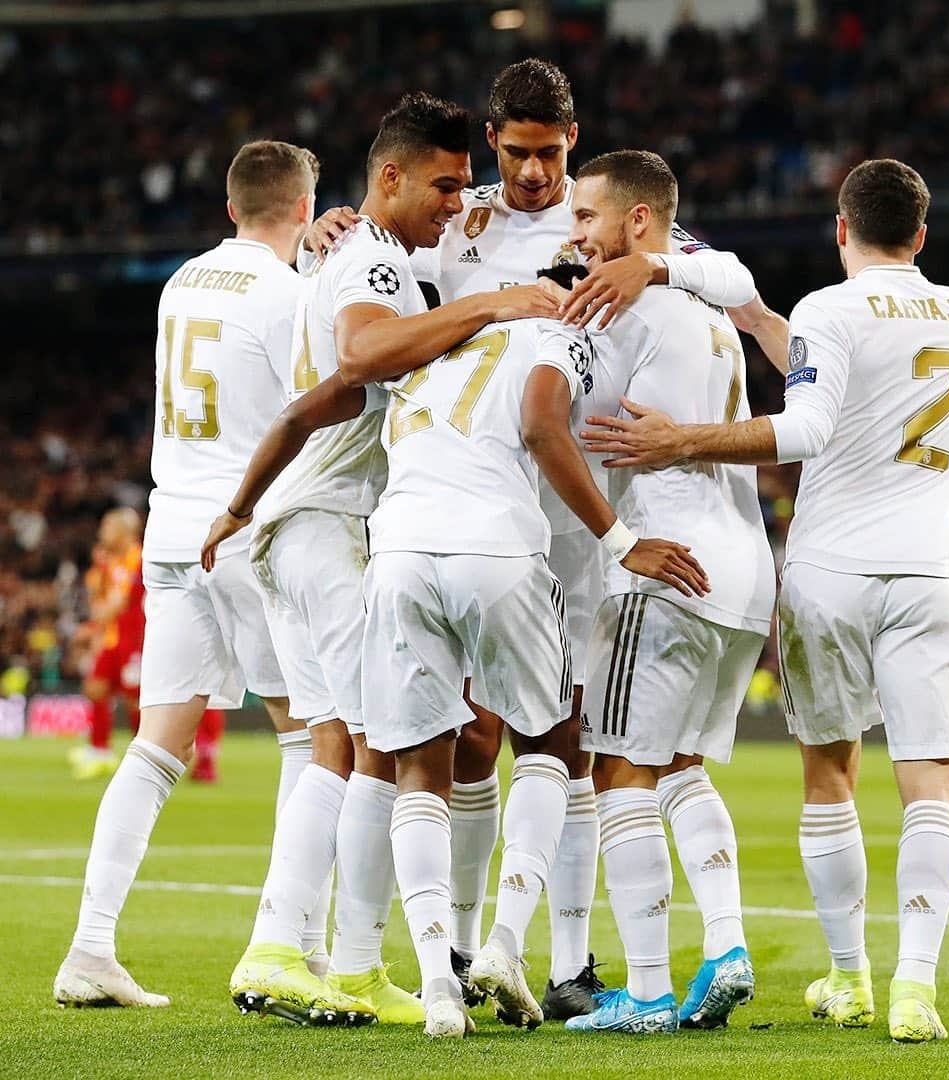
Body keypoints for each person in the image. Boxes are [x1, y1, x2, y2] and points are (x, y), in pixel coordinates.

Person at [304, 57, 783, 1019]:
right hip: (496, 499)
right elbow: (382, 286)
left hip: (592, 502)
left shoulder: (616, 220)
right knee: (484, 741)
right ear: (494, 143)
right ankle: (481, 948)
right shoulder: (460, 221)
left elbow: (733, 282)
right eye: (519, 154)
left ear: (573, 142)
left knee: (570, 731)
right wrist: (329, 233)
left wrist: (667, 270)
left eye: (551, 155)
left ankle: (568, 961)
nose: (534, 176)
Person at [583, 159, 949, 1044]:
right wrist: (758, 318)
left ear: (840, 229)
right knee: (929, 786)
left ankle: (850, 980)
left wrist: (681, 439)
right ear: (921, 235)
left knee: (830, 777)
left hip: (832, 570)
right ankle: (915, 988)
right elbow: (826, 372)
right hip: (930, 571)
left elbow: (807, 426)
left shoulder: (829, 309)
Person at [201, 92, 559, 1030]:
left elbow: (313, 401)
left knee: (341, 741)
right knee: (383, 748)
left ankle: (299, 949)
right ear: (388, 176)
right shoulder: (373, 261)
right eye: (442, 184)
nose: (455, 201)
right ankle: (332, 958)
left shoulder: (365, 256)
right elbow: (363, 357)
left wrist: (242, 505)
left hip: (297, 521)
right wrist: (493, 302)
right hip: (327, 525)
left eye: (462, 184)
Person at [360, 289, 708, 1038]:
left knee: (421, 768)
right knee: (554, 744)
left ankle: (438, 989)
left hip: (396, 553)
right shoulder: (560, 333)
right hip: (498, 550)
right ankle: (507, 943)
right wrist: (621, 542)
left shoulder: (424, 347)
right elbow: (543, 423)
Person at [53, 140, 319, 1009]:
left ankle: (90, 949)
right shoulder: (291, 294)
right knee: (307, 735)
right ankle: (291, 947)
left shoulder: (181, 282)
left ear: (230, 208)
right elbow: (311, 411)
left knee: (155, 747)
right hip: (243, 528)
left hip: (170, 532)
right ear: (304, 208)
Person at [552, 151, 774, 1036]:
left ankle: (644, 991)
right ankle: (726, 948)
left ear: (638, 224)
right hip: (743, 573)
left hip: (669, 563)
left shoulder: (628, 305)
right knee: (680, 762)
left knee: (620, 769)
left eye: (586, 219)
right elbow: (734, 274)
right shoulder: (706, 306)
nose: (574, 237)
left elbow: (558, 419)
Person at [71, 509, 145, 781]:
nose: (102, 533)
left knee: (135, 700)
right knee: (96, 687)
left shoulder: (137, 557)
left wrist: (93, 625)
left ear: (124, 531)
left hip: (137, 639)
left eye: (107, 527)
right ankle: (99, 750)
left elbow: (118, 602)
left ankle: (149, 755)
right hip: (115, 639)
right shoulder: (112, 562)